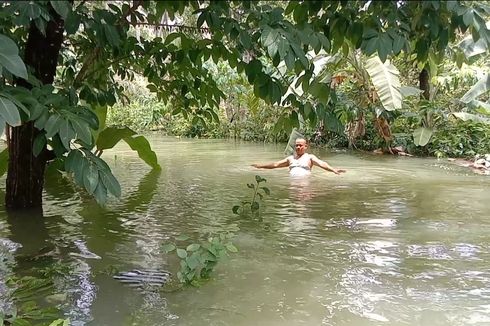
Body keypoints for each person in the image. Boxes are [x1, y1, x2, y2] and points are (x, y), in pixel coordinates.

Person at [252, 138, 346, 177]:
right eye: (296, 145)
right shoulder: (290, 159)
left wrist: (333, 170)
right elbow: (275, 164)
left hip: (305, 183)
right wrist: (260, 166)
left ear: (306, 146)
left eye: (300, 145)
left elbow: (322, 164)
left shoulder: (310, 157)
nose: (298, 147)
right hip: (292, 183)